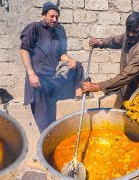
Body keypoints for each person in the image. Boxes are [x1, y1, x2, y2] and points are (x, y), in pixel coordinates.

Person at [20, 2, 84, 132]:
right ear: (44, 15)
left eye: (57, 17)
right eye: (52, 16)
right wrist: (31, 73)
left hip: (52, 78)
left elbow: (61, 54)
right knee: (43, 119)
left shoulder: (58, 31)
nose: (54, 19)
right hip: (38, 78)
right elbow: (24, 51)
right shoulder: (34, 28)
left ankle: (78, 91)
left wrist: (71, 60)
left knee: (78, 66)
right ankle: (43, 145)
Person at [82, 12, 139, 108]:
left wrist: (98, 86)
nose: (130, 34)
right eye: (128, 29)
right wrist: (100, 43)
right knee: (117, 116)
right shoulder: (127, 37)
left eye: (135, 31)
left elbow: (126, 76)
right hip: (124, 87)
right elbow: (115, 40)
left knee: (132, 120)